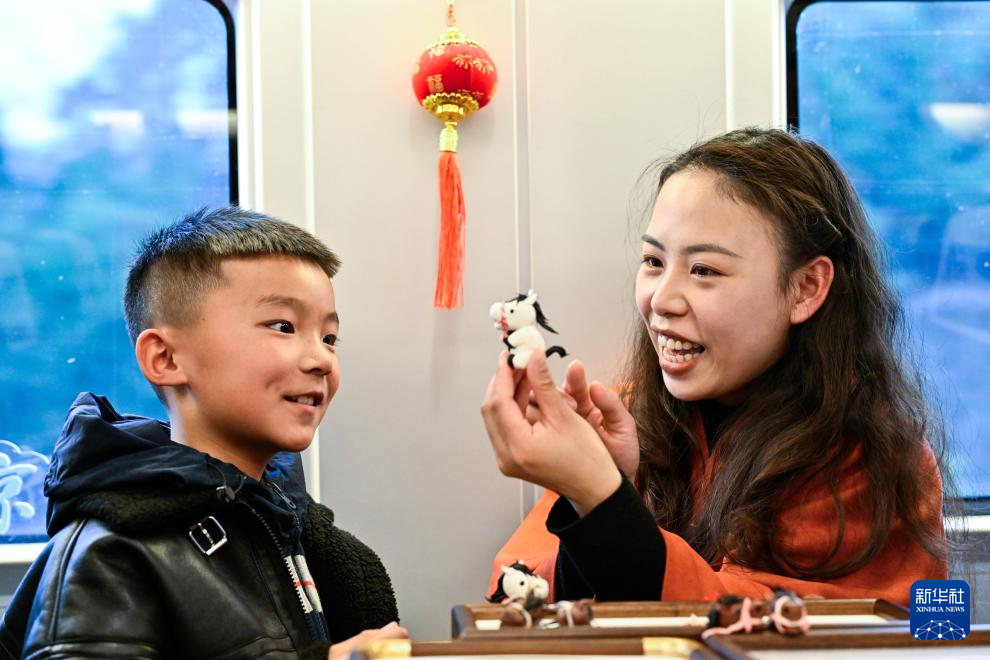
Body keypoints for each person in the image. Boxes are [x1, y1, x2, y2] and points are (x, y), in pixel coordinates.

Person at [481, 128, 949, 606]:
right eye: (653, 261)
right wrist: (594, 494)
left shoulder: (866, 453)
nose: (661, 300)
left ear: (806, 288)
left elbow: (750, 622)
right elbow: (514, 593)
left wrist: (601, 496)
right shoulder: (627, 414)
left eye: (703, 270)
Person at [0, 207, 407, 659]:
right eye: (283, 327)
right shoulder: (110, 557)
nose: (322, 360)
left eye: (329, 338)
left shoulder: (288, 523)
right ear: (166, 359)